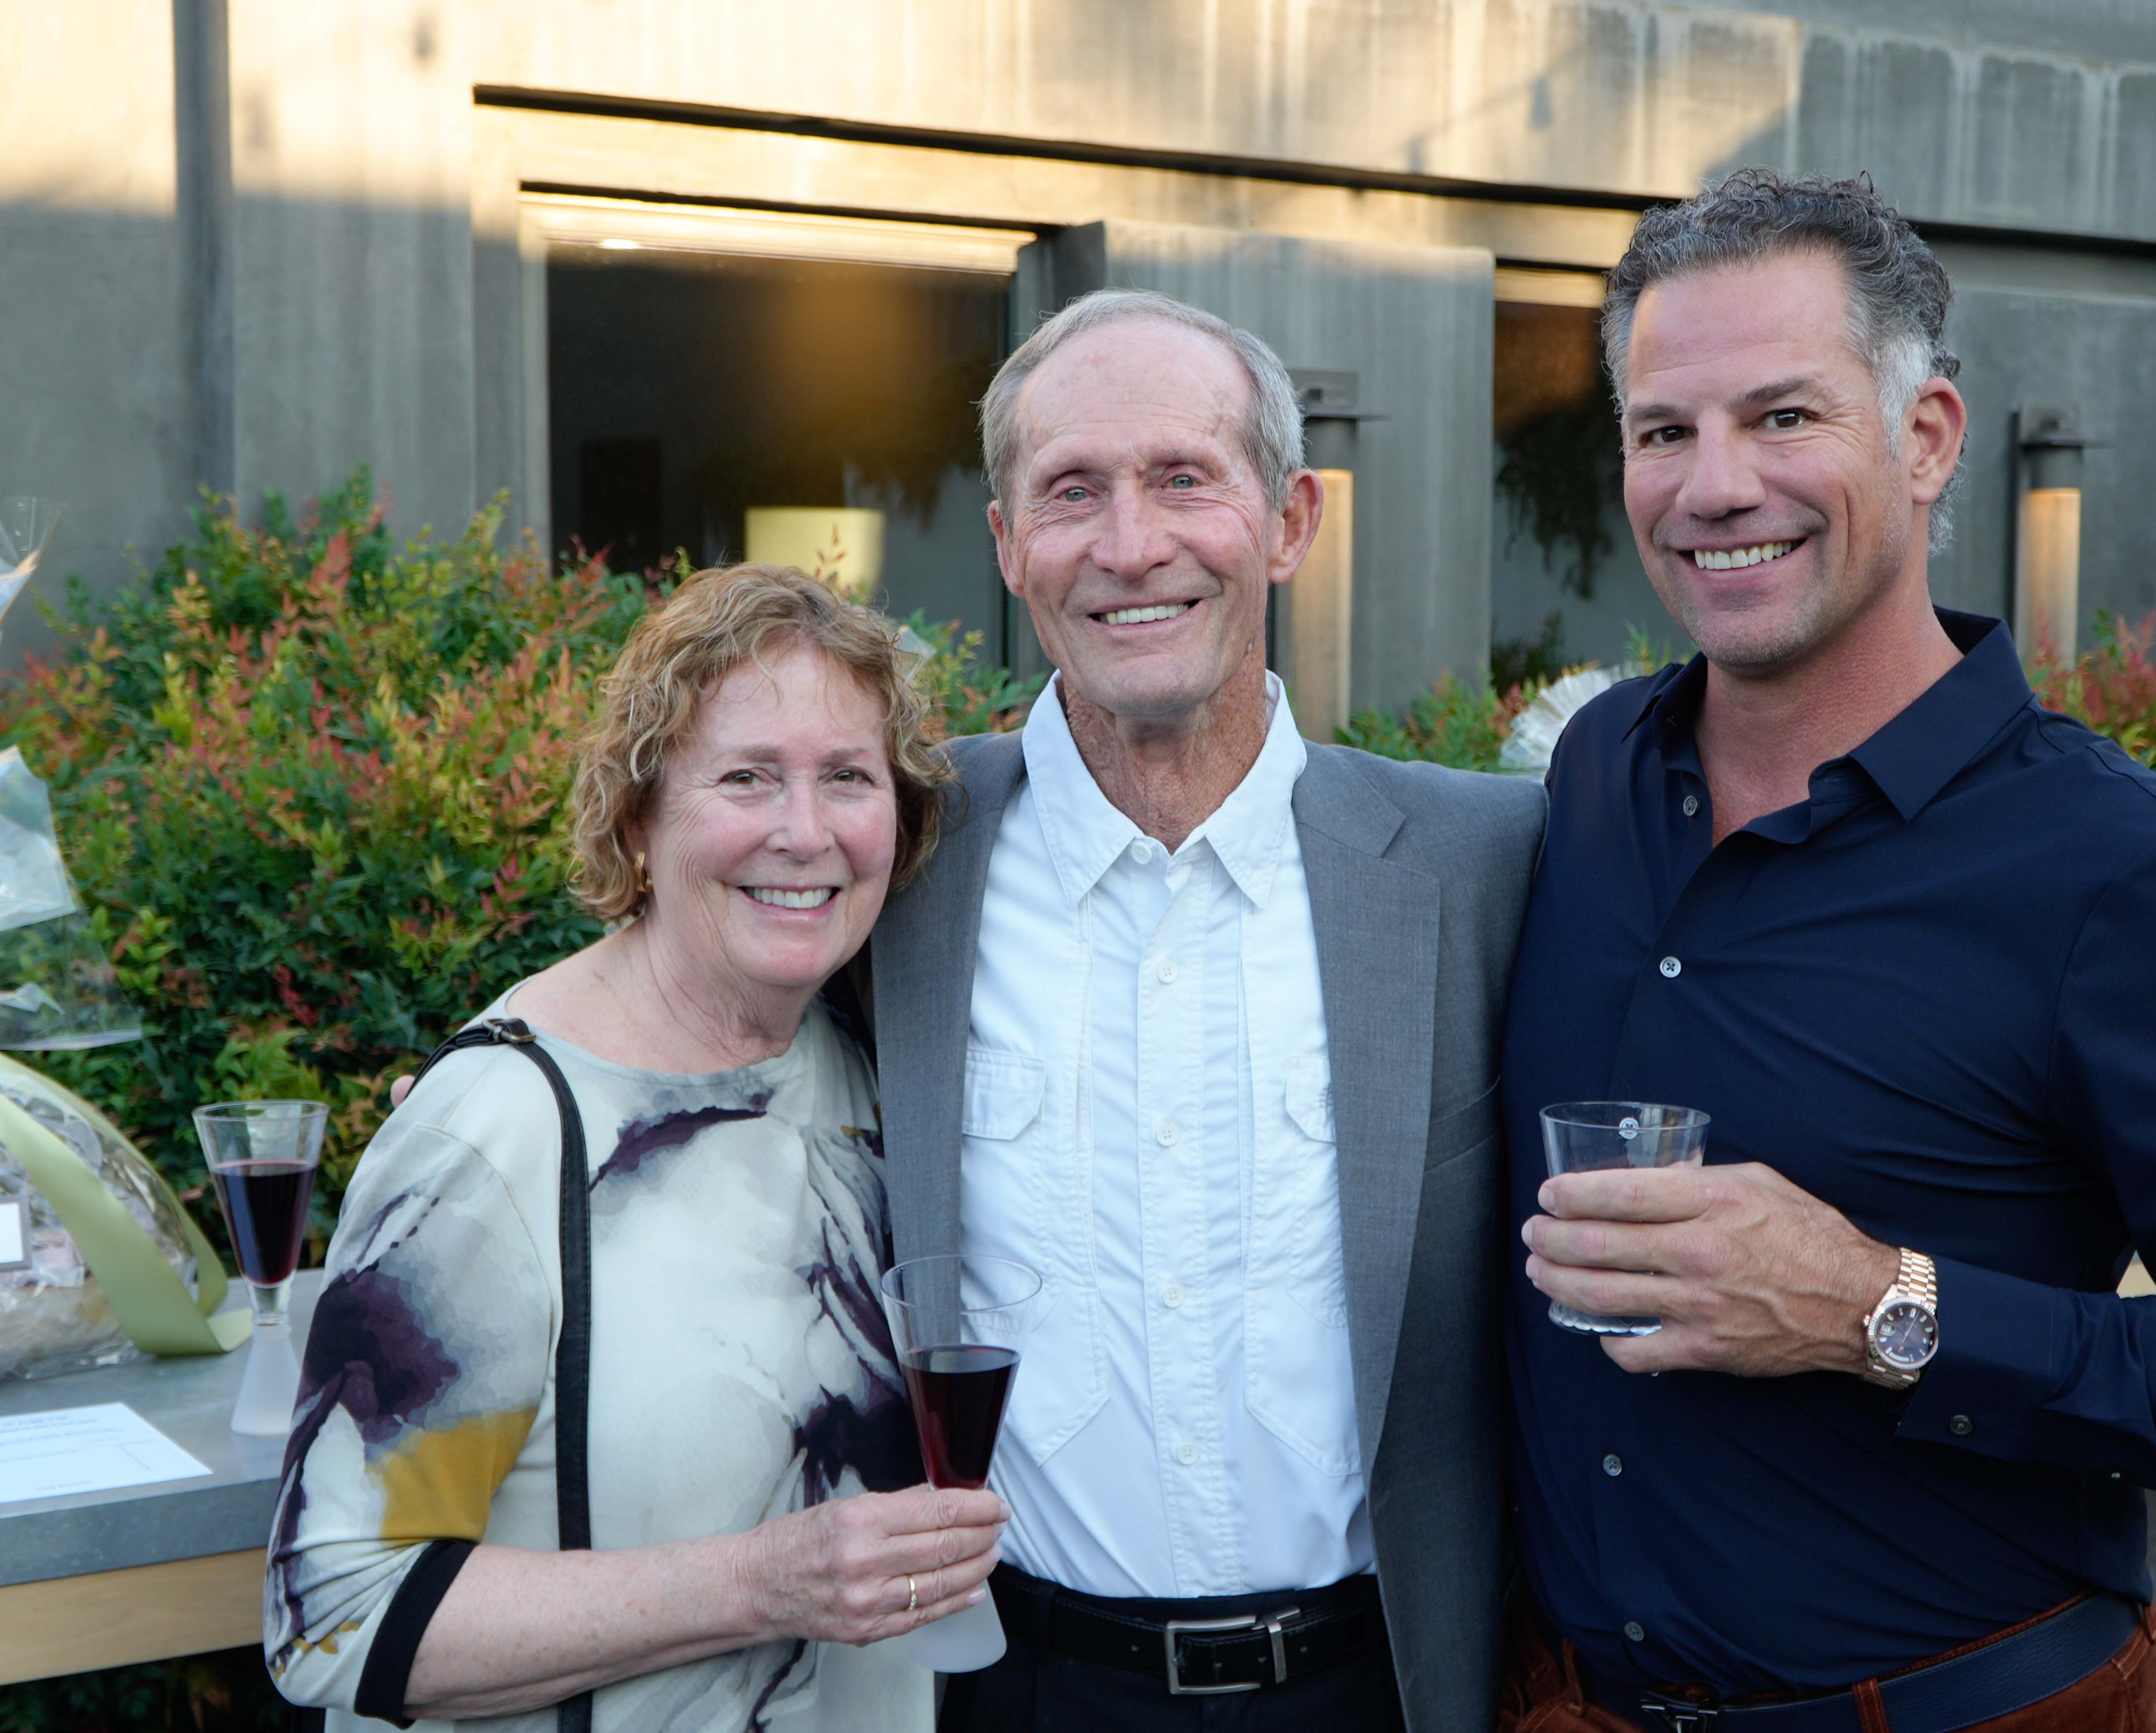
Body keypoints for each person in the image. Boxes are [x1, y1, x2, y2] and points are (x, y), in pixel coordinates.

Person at [1502, 171, 2156, 1732]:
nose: (1715, 484)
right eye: (1665, 431)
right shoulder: (1599, 770)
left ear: (1928, 439)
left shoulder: (2124, 875)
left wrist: (1883, 1305)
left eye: (1784, 417)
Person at [851, 288, 1546, 1732]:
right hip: (1015, 1695)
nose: (1129, 545)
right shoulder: (894, 861)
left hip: (1390, 1687)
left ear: (1288, 520)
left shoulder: (1483, 865)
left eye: (1183, 479)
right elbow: (676, 1012)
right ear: (1008, 546)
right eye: (1071, 493)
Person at [266, 566, 1007, 1733]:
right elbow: (334, 1613)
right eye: (747, 777)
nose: (804, 831)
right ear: (639, 814)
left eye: (848, 779)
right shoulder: (499, 1128)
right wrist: (762, 1582)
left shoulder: (868, 1078)